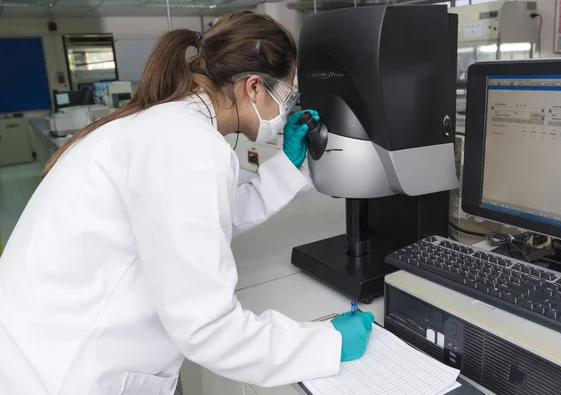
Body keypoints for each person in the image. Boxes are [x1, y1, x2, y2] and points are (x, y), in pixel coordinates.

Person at [0, 11, 374, 395]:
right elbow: (208, 329)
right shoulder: (187, 146)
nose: (287, 110)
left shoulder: (169, 125)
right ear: (254, 87)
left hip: (39, 349)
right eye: (287, 94)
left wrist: (287, 168)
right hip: (64, 374)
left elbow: (207, 219)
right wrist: (324, 343)